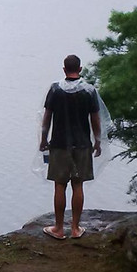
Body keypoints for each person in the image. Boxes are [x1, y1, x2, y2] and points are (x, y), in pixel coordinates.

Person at [39, 54, 102, 240]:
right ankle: (75, 228)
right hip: (82, 144)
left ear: (64, 69)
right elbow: (96, 120)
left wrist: (43, 139)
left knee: (59, 185)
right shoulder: (89, 91)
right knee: (77, 184)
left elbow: (47, 118)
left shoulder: (55, 90)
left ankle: (58, 228)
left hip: (59, 144)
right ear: (80, 69)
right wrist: (97, 141)